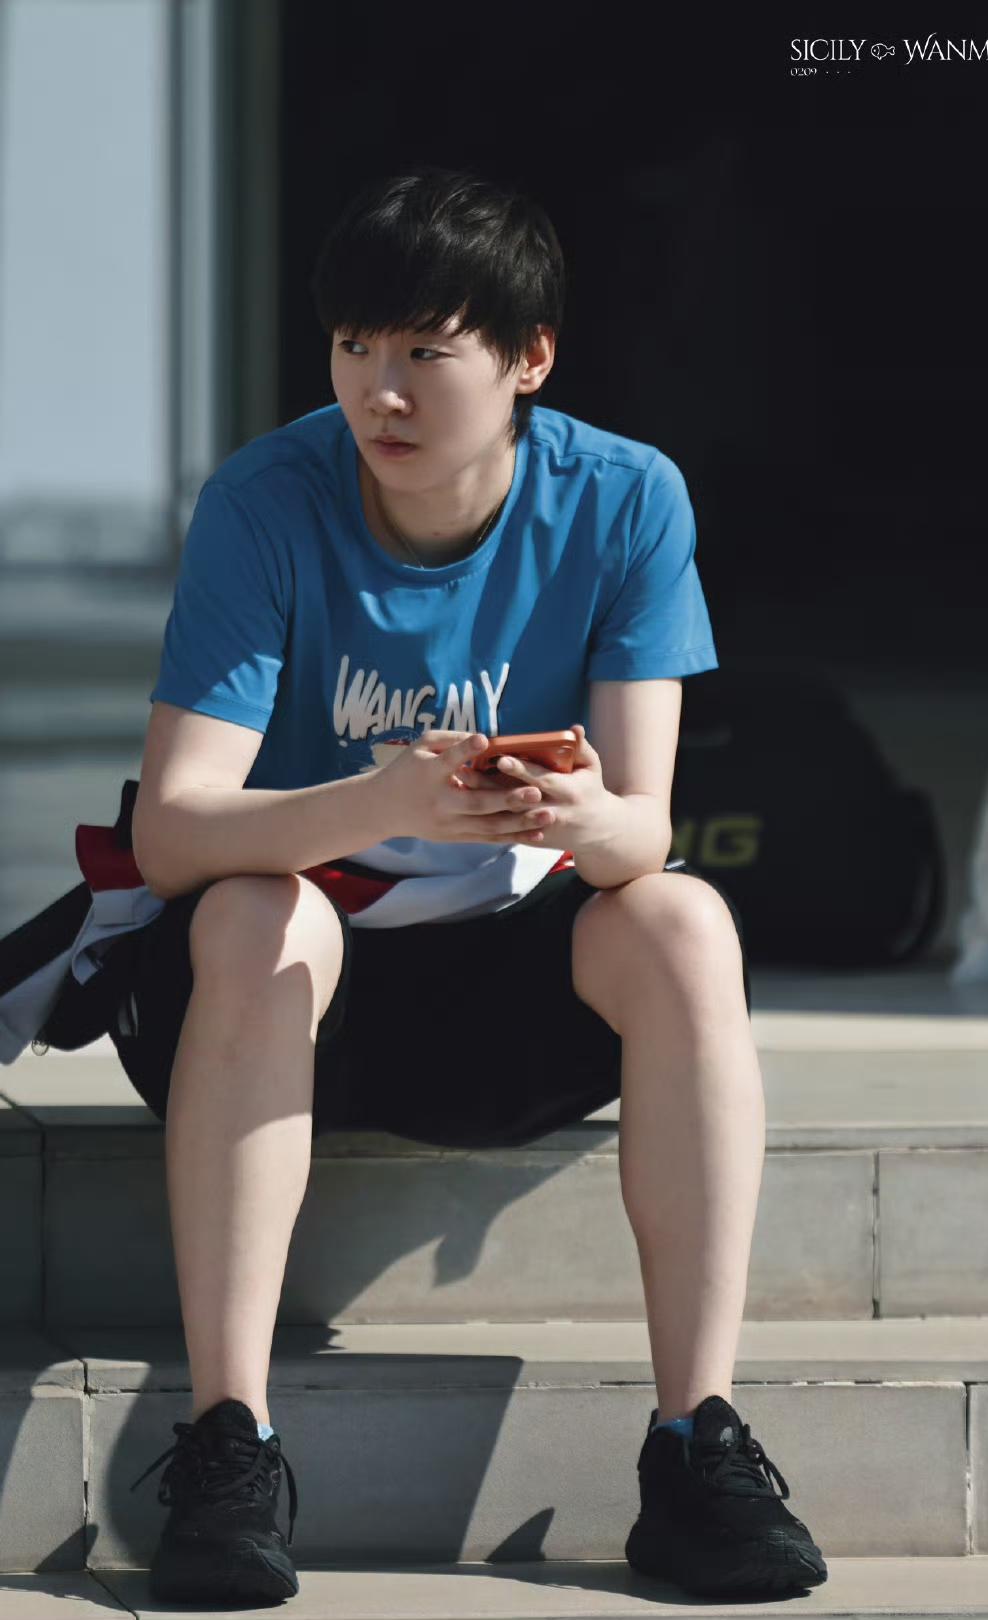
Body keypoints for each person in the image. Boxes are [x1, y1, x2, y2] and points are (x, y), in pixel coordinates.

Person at [118, 164, 827, 1605]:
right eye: (352, 347)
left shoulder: (624, 499)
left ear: (528, 360)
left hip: (506, 992)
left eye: (426, 353)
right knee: (254, 909)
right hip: (282, 988)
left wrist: (579, 813)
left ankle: (696, 1443)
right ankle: (231, 1443)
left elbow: (643, 836)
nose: (379, 393)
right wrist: (381, 798)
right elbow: (174, 835)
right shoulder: (264, 499)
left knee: (685, 918)